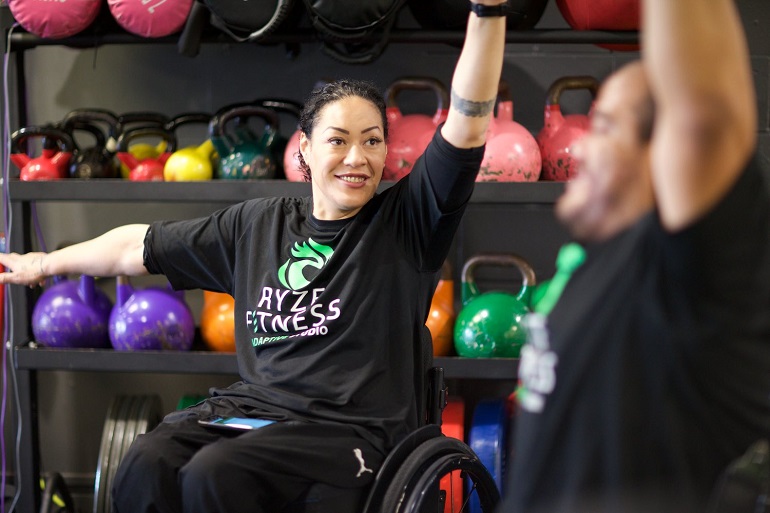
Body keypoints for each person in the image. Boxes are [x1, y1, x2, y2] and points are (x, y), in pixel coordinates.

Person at [0, 3, 509, 512]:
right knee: (147, 458)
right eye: (339, 140)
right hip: (257, 411)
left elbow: (466, 122)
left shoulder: (408, 221)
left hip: (353, 430)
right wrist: (44, 264)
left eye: (371, 141)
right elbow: (140, 245)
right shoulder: (258, 223)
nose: (357, 158)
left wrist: (488, 12)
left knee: (216, 474)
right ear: (304, 150)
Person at [506, 0, 770, 512]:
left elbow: (704, 113)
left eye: (603, 126)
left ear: (663, 155)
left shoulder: (689, 276)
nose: (578, 147)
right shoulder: (594, 264)